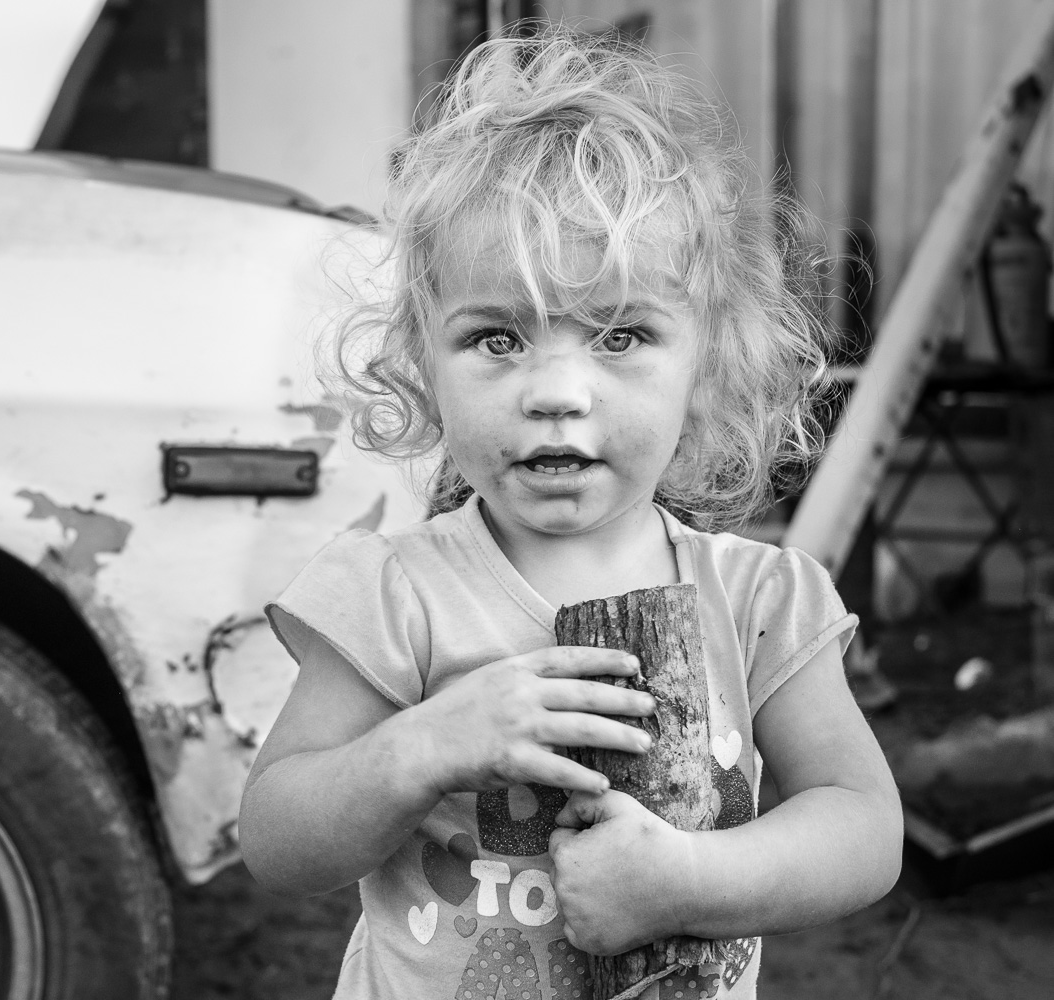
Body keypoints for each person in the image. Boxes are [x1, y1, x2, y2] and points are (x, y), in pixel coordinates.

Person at [239, 25, 903, 1000]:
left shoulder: (761, 598)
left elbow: (864, 828)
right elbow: (277, 838)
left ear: (705, 362)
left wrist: (688, 880)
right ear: (423, 358)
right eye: (497, 336)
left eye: (622, 334)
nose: (556, 390)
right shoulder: (391, 593)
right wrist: (419, 747)